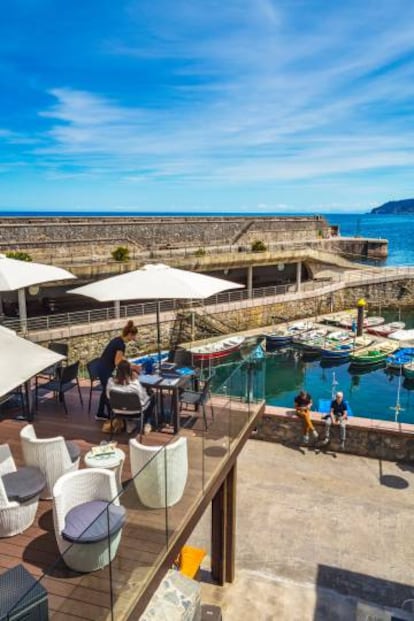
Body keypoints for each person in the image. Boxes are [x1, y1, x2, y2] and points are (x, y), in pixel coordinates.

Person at [95, 320, 139, 420]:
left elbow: (120, 358)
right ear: (129, 334)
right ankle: (113, 415)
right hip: (105, 369)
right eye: (134, 336)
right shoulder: (121, 345)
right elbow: (117, 362)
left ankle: (100, 413)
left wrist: (130, 363)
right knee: (110, 391)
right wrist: (132, 367)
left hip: (101, 367)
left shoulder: (117, 340)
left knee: (106, 390)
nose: (134, 339)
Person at [106, 359, 156, 434]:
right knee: (152, 397)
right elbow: (142, 397)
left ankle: (129, 423)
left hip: (117, 410)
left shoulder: (110, 382)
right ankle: (147, 423)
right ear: (130, 371)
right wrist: (150, 393)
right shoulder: (135, 384)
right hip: (136, 411)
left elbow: (108, 396)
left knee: (127, 401)